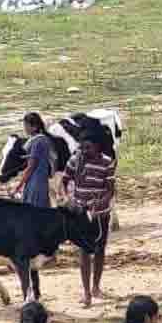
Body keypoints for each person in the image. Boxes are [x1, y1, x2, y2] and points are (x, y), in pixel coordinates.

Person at [62, 128, 117, 307]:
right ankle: (86, 293)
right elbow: (65, 180)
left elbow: (110, 189)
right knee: (85, 252)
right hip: (81, 213)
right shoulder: (75, 160)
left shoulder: (107, 163)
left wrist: (101, 203)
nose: (85, 151)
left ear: (98, 147)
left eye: (88, 148)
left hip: (100, 214)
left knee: (100, 249)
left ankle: (96, 287)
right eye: (82, 148)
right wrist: (68, 198)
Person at [12, 112, 56, 208]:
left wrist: (19, 185)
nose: (25, 128)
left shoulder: (38, 141)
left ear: (35, 127)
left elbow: (31, 166)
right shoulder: (42, 139)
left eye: (26, 125)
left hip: (35, 183)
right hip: (39, 181)